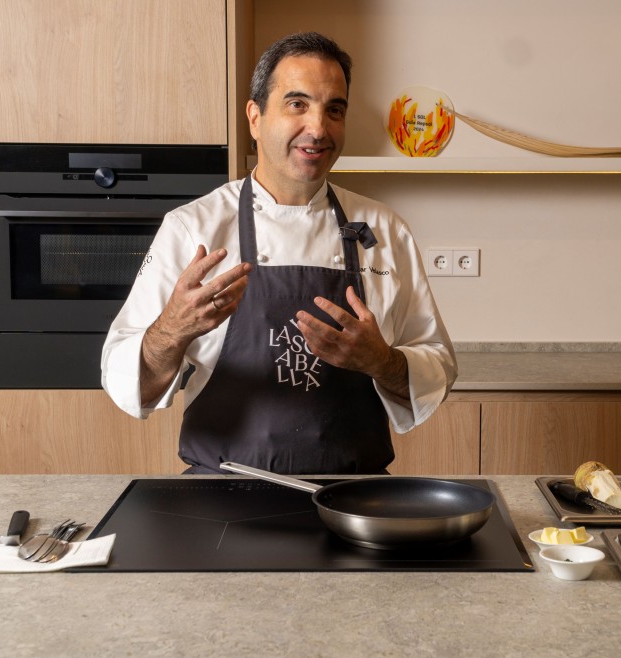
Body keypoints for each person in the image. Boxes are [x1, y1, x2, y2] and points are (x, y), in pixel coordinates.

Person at [101, 32, 456, 474]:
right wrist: (171, 331)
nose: (318, 129)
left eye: (335, 110)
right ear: (255, 117)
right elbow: (126, 382)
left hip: (354, 497)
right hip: (221, 496)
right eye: (297, 104)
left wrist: (381, 362)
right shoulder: (193, 228)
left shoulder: (386, 231)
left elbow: (438, 364)